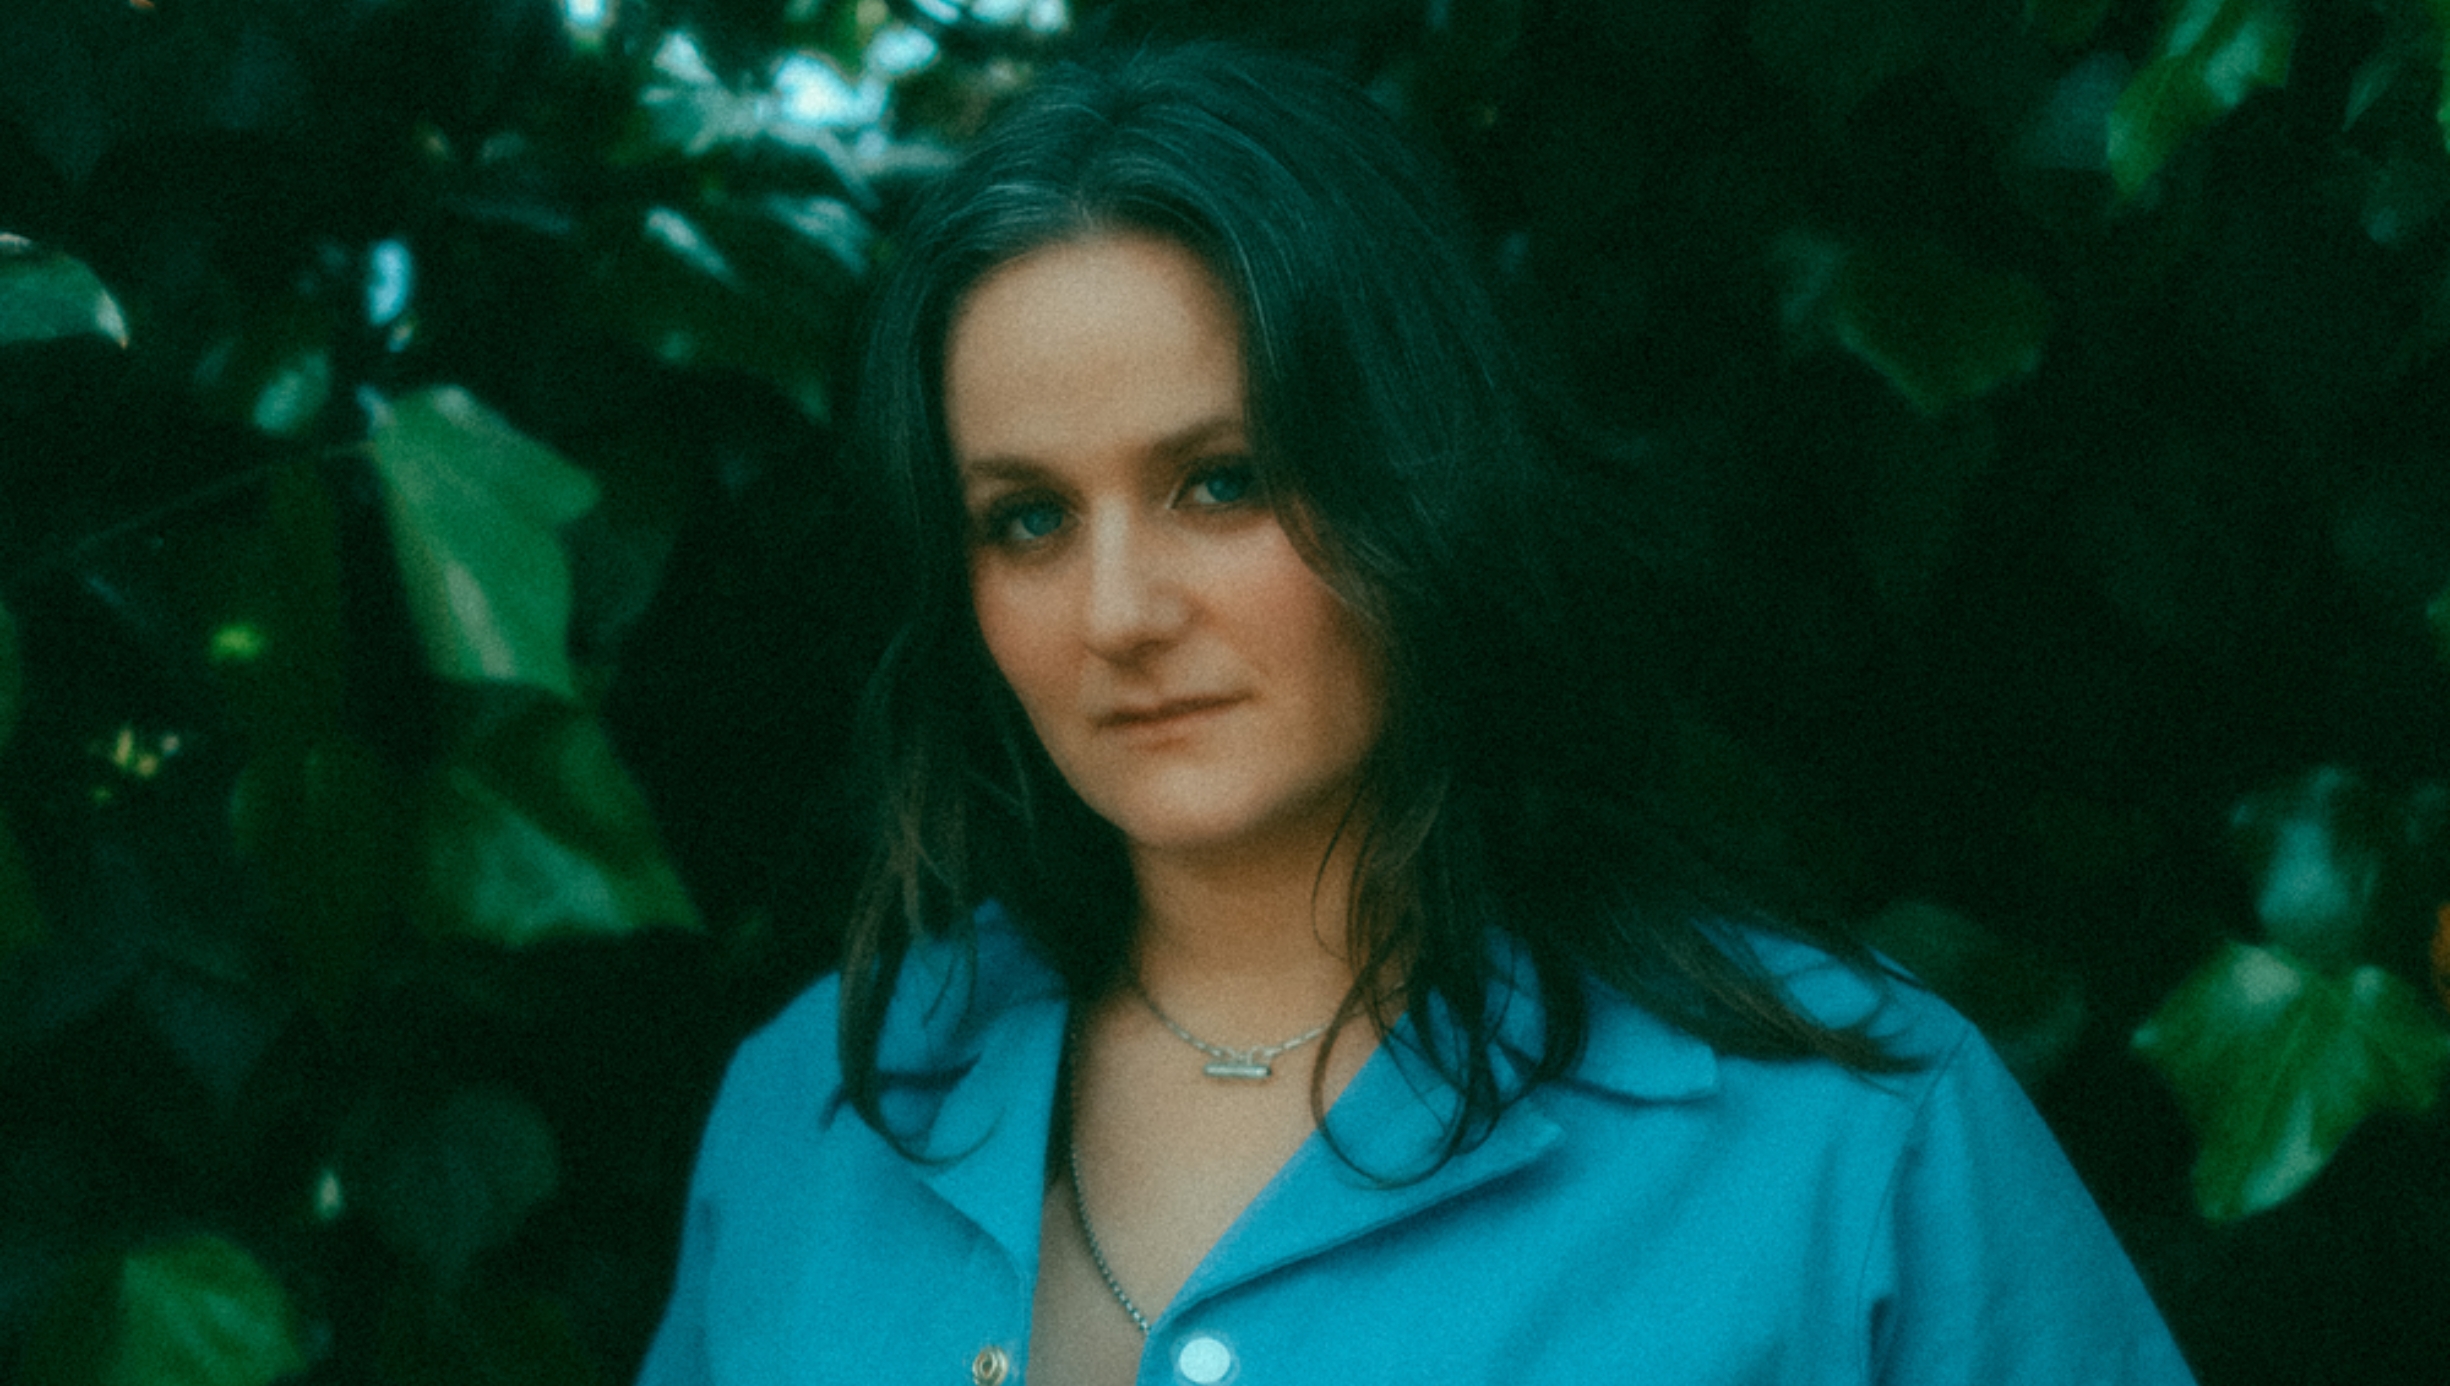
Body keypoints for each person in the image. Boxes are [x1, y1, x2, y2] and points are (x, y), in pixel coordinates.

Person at [636, 43, 2197, 1386]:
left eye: (1220, 481)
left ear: (1419, 481)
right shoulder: (817, 1113)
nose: (1117, 612)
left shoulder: (1849, 1141)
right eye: (1028, 519)